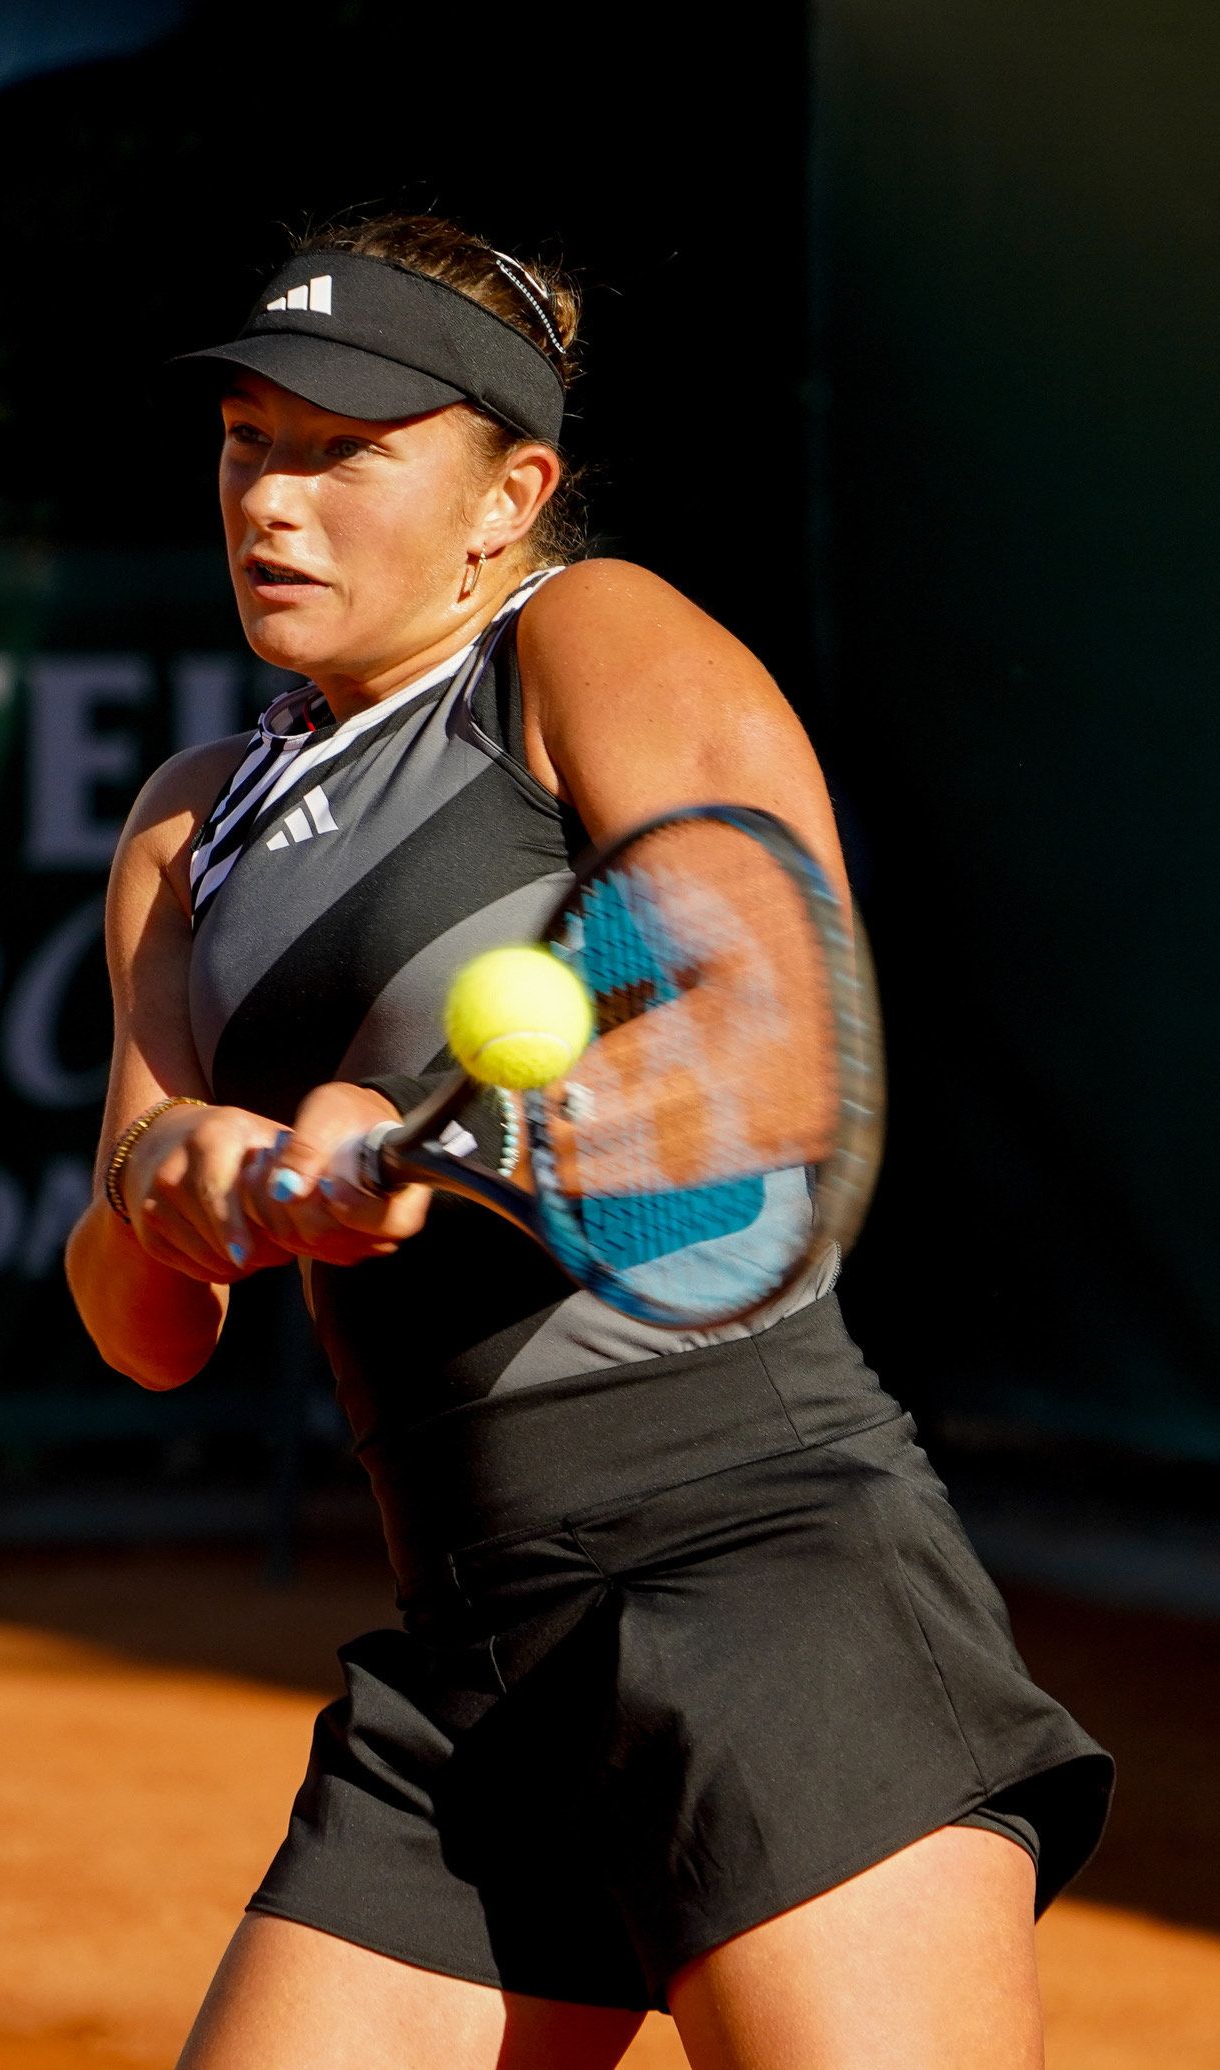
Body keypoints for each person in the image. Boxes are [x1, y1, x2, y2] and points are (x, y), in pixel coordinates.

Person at [65, 215, 1112, 2067]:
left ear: (507, 492)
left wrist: (446, 1141)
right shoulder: (187, 823)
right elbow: (144, 1327)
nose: (273, 503)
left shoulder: (580, 640)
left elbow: (779, 1042)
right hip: (466, 1660)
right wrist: (178, 1185)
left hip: (763, 1583)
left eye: (345, 451)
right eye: (247, 442)